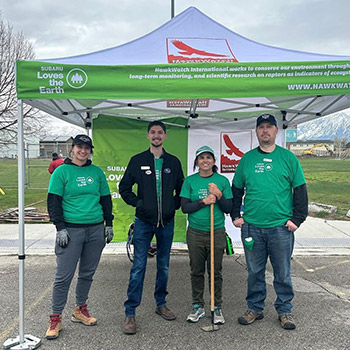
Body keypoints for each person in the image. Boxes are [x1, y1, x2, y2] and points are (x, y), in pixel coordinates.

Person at [231, 114, 308, 330]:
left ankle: (285, 310)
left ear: (276, 131)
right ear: (256, 132)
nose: (265, 131)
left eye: (269, 127)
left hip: (281, 228)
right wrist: (235, 215)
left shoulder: (288, 158)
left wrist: (297, 219)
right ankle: (254, 308)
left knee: (282, 271)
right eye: (261, 127)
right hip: (252, 227)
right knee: (254, 271)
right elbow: (236, 189)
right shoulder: (247, 159)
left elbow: (300, 191)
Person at [45, 134, 114, 340]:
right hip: (71, 230)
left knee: (87, 273)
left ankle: (80, 309)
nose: (83, 151)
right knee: (63, 276)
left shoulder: (97, 172)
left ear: (90, 151)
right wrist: (60, 228)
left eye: (87, 148)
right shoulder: (61, 172)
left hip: (95, 229)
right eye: (79, 147)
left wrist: (108, 224)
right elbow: (54, 202)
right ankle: (55, 318)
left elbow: (105, 199)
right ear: (72, 149)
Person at [119, 121, 184, 335]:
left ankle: (161, 304)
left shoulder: (173, 162)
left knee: (163, 266)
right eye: (153, 132)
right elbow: (124, 188)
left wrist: (170, 207)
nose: (156, 136)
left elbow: (181, 190)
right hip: (143, 223)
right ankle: (130, 312)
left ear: (165, 136)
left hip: (166, 223)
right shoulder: (137, 161)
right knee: (138, 267)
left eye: (160, 133)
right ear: (148, 136)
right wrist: (139, 204)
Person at [180, 146, 232, 324]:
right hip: (195, 232)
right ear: (196, 162)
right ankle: (197, 306)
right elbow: (184, 207)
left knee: (215, 271)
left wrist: (218, 195)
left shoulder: (222, 181)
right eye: (201, 158)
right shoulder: (190, 182)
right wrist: (204, 201)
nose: (205, 160)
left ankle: (216, 307)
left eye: (208, 157)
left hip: (216, 232)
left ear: (214, 161)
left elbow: (228, 209)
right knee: (196, 270)